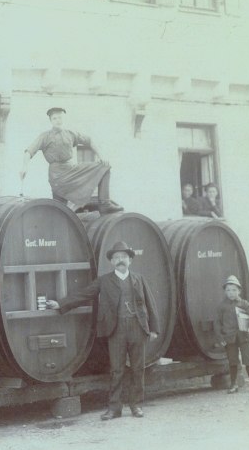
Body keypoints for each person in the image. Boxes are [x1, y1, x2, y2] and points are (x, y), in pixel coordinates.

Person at [47, 241, 159, 420]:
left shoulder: (139, 279)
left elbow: (150, 304)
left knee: (138, 368)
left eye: (123, 257)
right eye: (116, 258)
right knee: (116, 369)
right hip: (116, 329)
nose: (120, 260)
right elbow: (84, 294)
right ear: (112, 262)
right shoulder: (104, 281)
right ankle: (114, 408)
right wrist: (61, 303)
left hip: (138, 328)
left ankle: (136, 405)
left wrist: (154, 329)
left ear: (130, 260)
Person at [20, 107, 123, 214]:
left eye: (59, 118)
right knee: (60, 210)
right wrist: (24, 167)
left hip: (72, 170)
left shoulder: (70, 133)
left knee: (104, 167)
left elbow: (89, 140)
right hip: (57, 176)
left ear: (63, 119)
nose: (58, 120)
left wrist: (101, 156)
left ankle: (105, 203)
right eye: (54, 118)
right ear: (51, 121)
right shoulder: (45, 136)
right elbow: (29, 151)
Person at [214, 275, 249, 393]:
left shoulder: (244, 304)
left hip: (245, 337)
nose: (231, 293)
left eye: (234, 290)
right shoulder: (222, 307)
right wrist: (221, 338)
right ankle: (233, 385)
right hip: (230, 339)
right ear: (225, 291)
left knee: (248, 359)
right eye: (228, 290)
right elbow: (217, 324)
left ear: (239, 291)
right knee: (232, 361)